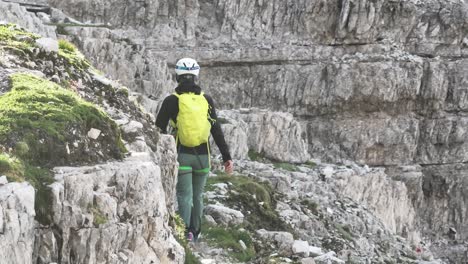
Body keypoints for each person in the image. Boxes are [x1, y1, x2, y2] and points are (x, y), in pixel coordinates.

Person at [156, 57, 234, 242]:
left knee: (184, 195)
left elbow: (159, 129)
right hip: (203, 157)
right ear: (196, 76)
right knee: (198, 196)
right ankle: (196, 233)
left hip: (182, 154)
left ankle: (184, 235)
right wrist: (226, 157)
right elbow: (216, 129)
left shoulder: (171, 101)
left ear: (177, 76)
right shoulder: (206, 100)